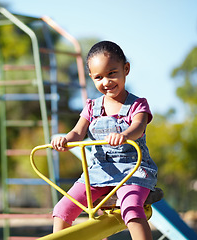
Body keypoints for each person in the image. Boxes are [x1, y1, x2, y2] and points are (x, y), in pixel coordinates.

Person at [51, 41, 158, 240]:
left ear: (126, 69)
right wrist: (65, 140)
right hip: (99, 170)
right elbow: (77, 132)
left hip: (132, 171)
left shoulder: (137, 105)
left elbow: (138, 127)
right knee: (62, 208)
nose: (106, 81)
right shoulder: (92, 107)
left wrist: (124, 135)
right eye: (98, 77)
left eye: (112, 73)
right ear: (91, 77)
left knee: (131, 209)